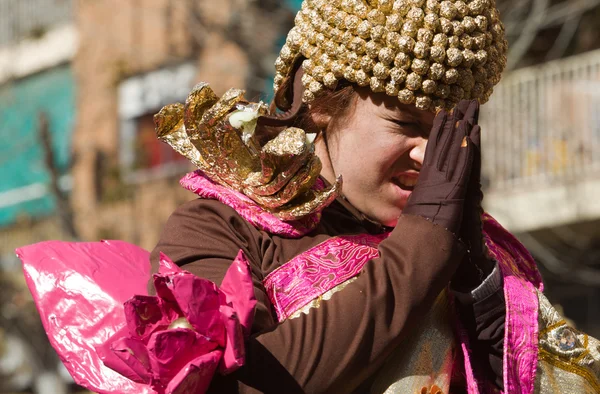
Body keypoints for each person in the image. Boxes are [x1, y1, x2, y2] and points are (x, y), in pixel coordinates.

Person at [17, 0, 600, 393]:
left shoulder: (471, 251)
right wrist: (422, 248)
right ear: (322, 104)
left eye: (451, 135)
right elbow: (246, 381)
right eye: (406, 125)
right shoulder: (221, 228)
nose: (432, 159)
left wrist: (482, 295)